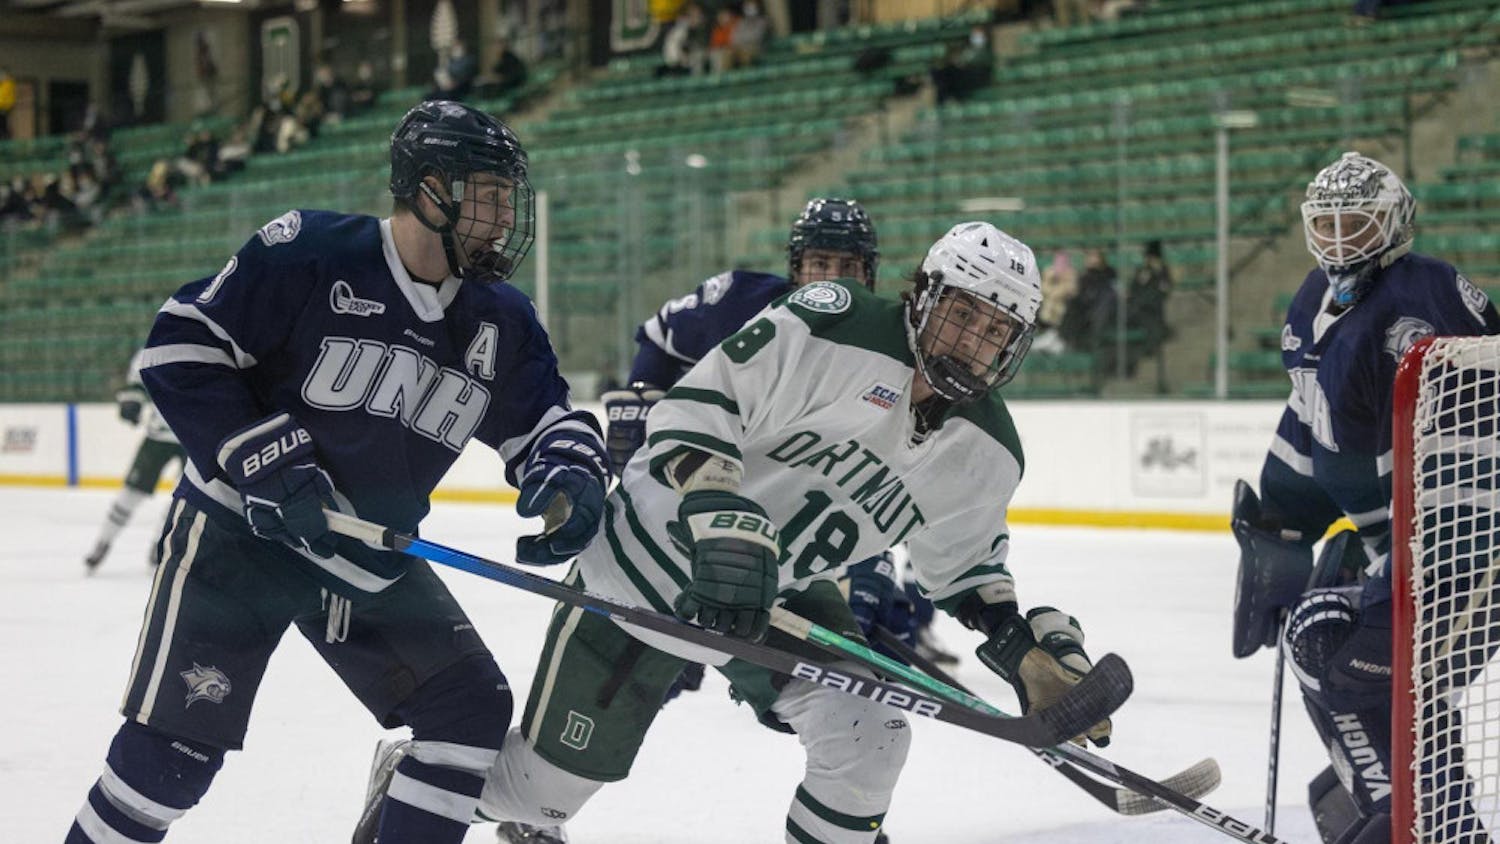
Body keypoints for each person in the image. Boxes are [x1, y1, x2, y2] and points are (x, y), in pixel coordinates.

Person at [355, 222, 1114, 844]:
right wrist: (723, 513)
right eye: (962, 312)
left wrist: (1024, 650)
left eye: (995, 329)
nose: (972, 339)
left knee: (870, 733)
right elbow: (695, 407)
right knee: (537, 800)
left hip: (779, 599)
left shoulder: (989, 450)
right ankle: (416, 778)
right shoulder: (834, 322)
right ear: (921, 295)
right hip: (647, 569)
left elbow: (965, 568)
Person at [63, 100, 609, 844]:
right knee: (168, 765)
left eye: (510, 195)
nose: (505, 213)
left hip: (363, 557)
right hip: (241, 537)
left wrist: (569, 474)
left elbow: (547, 420)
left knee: (466, 709)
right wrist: (261, 453)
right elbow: (180, 346)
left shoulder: (501, 319)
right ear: (428, 189)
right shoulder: (311, 253)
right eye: (489, 192)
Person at [1229, 151, 1500, 844]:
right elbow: (1308, 422)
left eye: (1359, 222)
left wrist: (1430, 569)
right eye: (1330, 223)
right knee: (1341, 635)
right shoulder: (1311, 302)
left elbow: (1476, 439)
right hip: (1402, 548)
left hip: (1472, 555)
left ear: (1396, 221)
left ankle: (1411, 817)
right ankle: (1429, 817)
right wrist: (1280, 525)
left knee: (1332, 641)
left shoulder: (1425, 299)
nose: (1343, 240)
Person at [84, 351, 186, 572]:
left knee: (183, 499)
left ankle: (160, 545)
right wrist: (132, 401)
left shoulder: (207, 341)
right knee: (131, 492)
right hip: (158, 436)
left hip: (194, 437)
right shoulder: (151, 350)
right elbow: (137, 382)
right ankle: (104, 541)